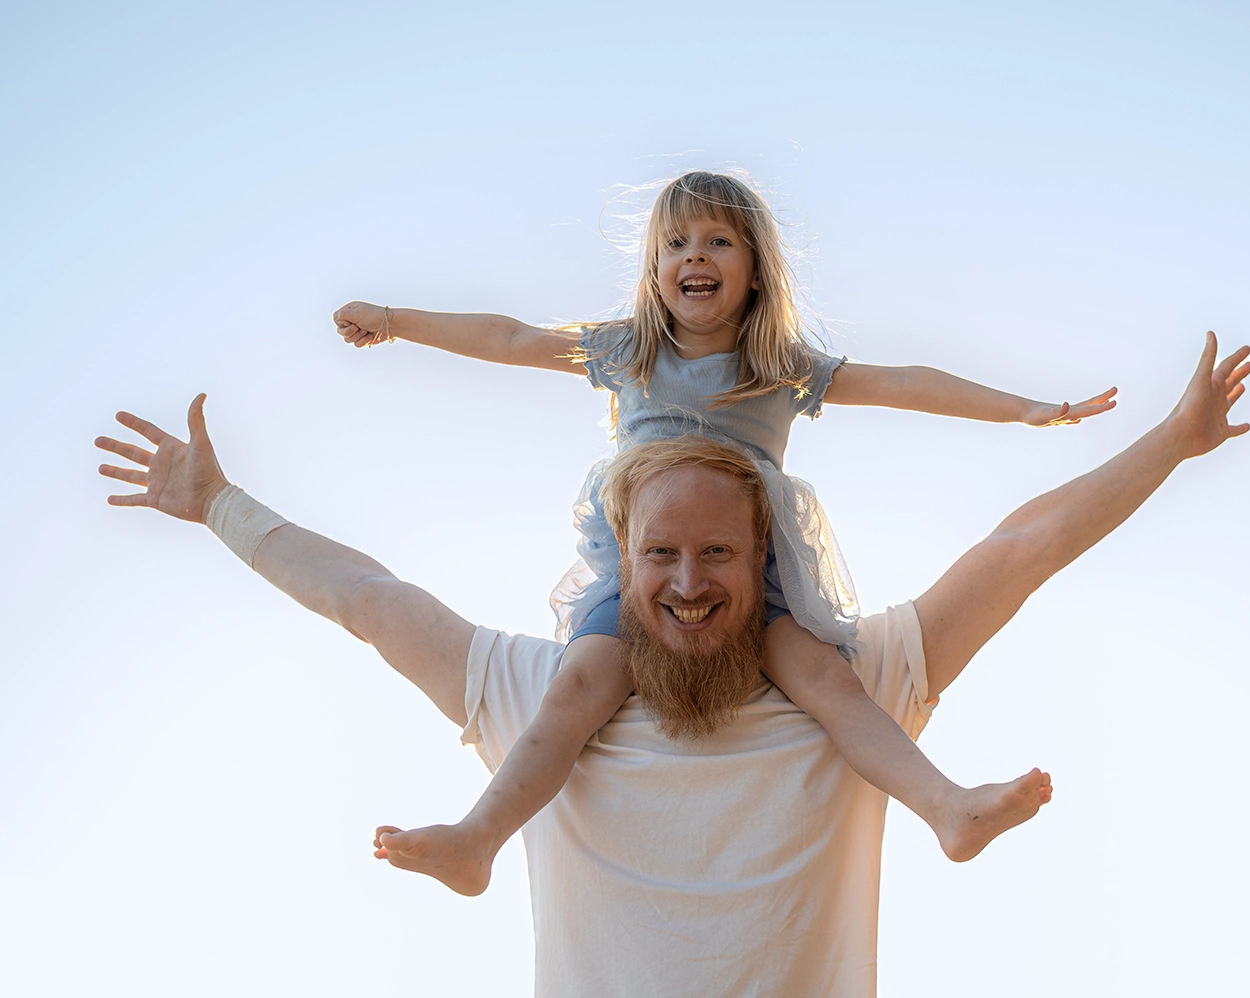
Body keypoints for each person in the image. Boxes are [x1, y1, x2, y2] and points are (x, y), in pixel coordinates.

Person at [95, 331, 1250, 998]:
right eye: (660, 554)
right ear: (620, 561)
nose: (689, 583)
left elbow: (1021, 548)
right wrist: (218, 505)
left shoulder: (860, 690)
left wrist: (1171, 438)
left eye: (718, 554)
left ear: (769, 562)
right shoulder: (535, 699)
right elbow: (367, 598)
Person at [328, 171, 1118, 890]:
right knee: (577, 690)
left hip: (748, 571)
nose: (692, 257)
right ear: (653, 268)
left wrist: (1025, 408)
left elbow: (905, 383)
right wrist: (395, 320)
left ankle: (947, 806)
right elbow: (508, 339)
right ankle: (478, 838)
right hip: (645, 570)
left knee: (826, 682)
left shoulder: (776, 365)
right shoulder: (626, 350)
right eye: (674, 243)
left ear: (752, 267)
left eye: (716, 241)